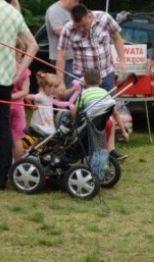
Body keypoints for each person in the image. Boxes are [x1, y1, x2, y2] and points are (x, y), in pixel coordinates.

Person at [56, 3, 128, 160]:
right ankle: (82, 147)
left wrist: (122, 61)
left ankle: (110, 149)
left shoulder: (104, 18)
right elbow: (61, 54)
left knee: (108, 109)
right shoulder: (68, 29)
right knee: (82, 113)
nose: (81, 29)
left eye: (83, 25)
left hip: (106, 73)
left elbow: (117, 37)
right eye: (78, 26)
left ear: (90, 16)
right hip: (82, 77)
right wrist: (61, 82)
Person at [0, 0, 38, 190]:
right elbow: (33, 46)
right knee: (4, 128)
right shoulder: (14, 13)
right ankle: (1, 179)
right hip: (6, 82)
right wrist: (19, 73)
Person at [0, 40, 31, 161]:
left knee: (1, 136)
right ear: (21, 53)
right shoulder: (24, 71)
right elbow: (25, 92)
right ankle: (17, 162)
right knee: (17, 137)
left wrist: (5, 97)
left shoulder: (0, 69)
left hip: (3, 106)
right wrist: (13, 96)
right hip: (18, 107)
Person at [75, 69, 130, 143]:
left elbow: (76, 111)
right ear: (100, 81)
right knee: (110, 120)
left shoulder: (83, 94)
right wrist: (124, 132)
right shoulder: (105, 93)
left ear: (84, 81)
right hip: (106, 123)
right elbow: (115, 113)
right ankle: (109, 148)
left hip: (90, 124)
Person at [45, 0, 79, 88]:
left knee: (76, 87)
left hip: (73, 57)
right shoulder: (54, 10)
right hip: (63, 59)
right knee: (68, 88)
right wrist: (80, 33)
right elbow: (58, 31)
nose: (77, 4)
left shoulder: (70, 11)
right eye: (76, 1)